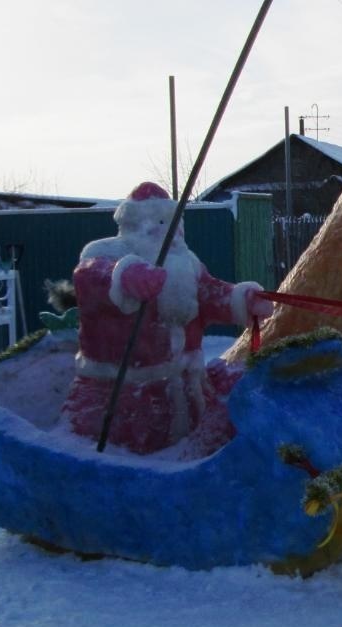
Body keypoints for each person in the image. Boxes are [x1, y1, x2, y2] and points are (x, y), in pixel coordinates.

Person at [61, 182, 272, 455]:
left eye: (173, 222)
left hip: (187, 386)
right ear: (137, 223)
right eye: (160, 221)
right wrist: (125, 278)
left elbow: (210, 292)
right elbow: (92, 278)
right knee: (131, 448)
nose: (170, 231)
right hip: (124, 396)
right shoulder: (105, 253)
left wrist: (243, 299)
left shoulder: (187, 263)